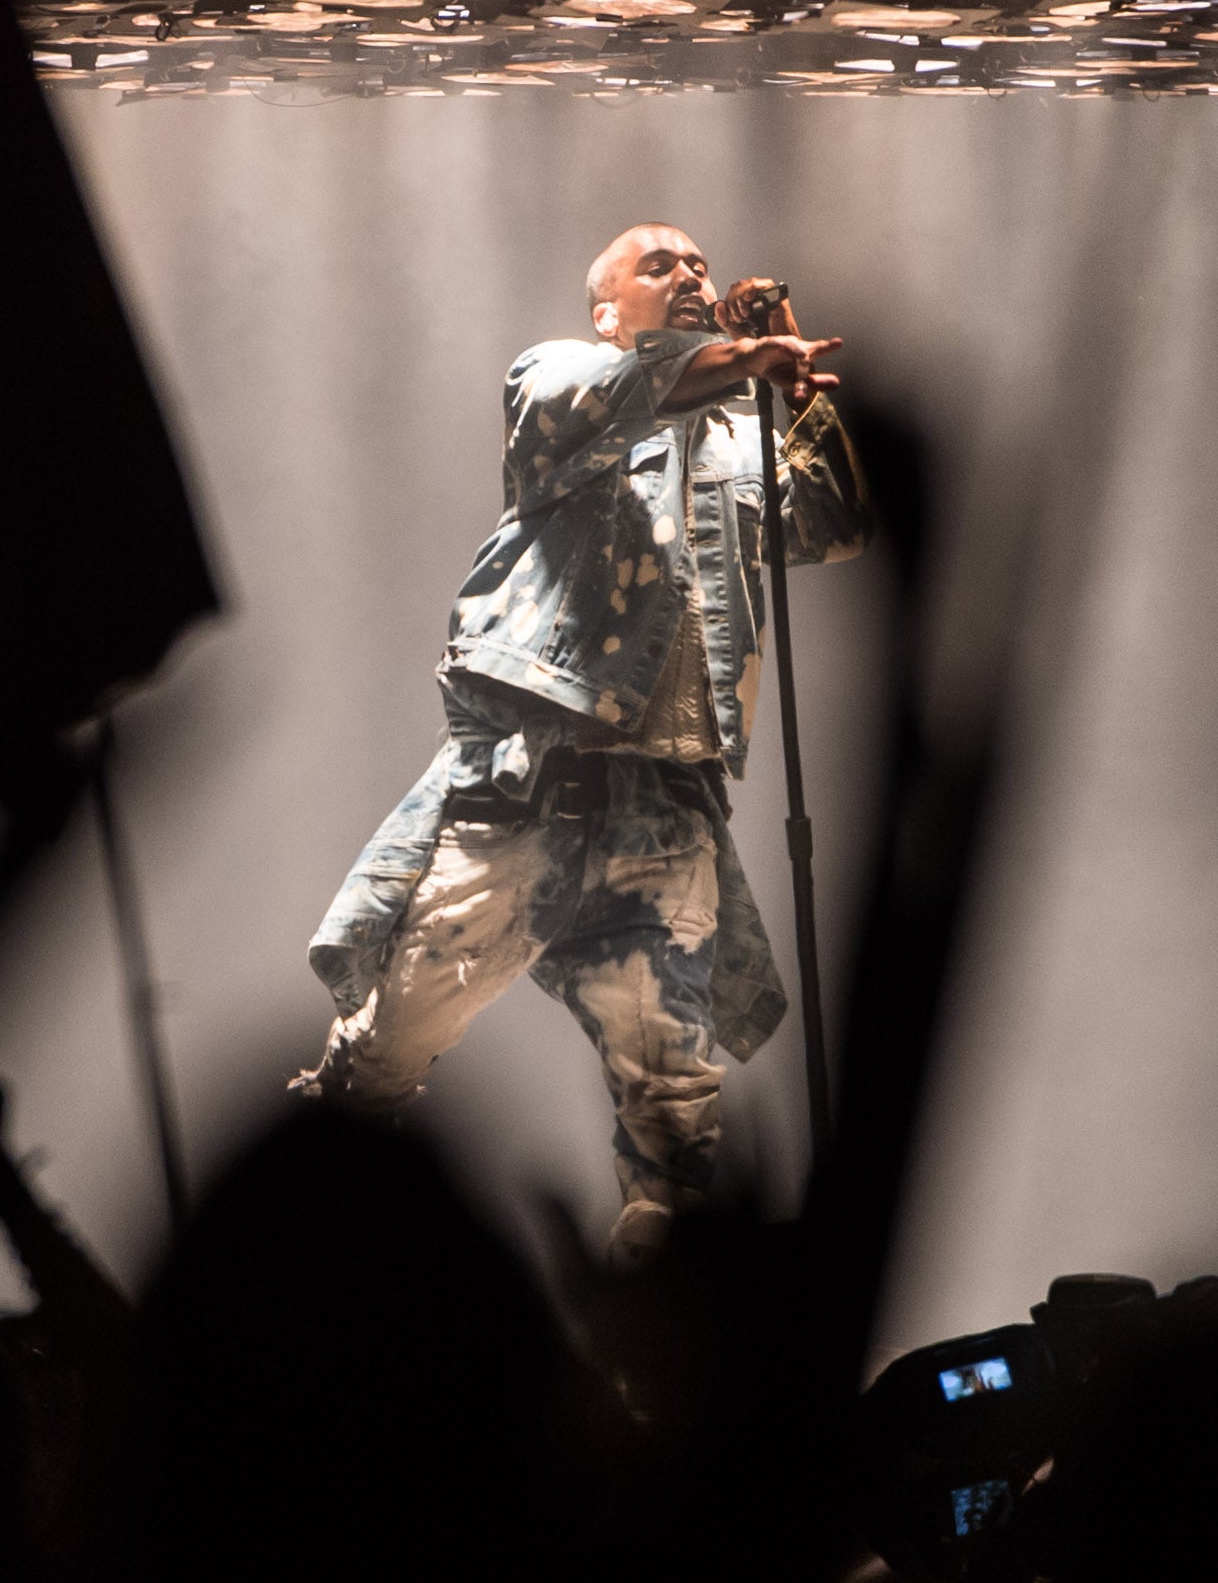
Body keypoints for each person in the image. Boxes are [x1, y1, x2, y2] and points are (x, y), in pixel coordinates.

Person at [294, 223, 871, 1261]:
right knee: (380, 1060)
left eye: (699, 264)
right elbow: (630, 390)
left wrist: (797, 386)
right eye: (661, 266)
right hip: (533, 795)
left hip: (665, 822)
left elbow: (833, 524)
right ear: (607, 307)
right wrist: (744, 359)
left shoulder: (738, 446)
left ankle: (661, 1369)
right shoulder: (559, 376)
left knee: (676, 1124)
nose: (691, 276)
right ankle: (298, 1292)